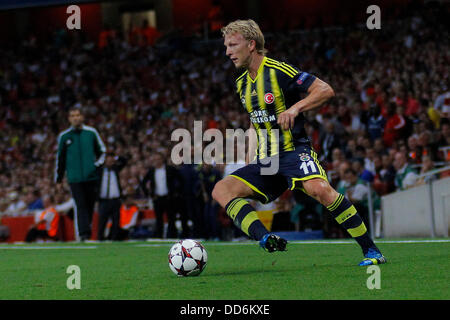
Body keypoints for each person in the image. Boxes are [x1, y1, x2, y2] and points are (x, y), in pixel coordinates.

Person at [213, 19, 386, 266]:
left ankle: (372, 251)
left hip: (294, 152)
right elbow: (254, 123)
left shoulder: (279, 71)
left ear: (251, 45)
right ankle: (265, 239)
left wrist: (295, 108)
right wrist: (251, 160)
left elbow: (325, 90)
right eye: (226, 46)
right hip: (267, 161)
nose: (227, 51)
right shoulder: (241, 83)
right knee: (221, 189)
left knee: (320, 190)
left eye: (232, 44)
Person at [55, 107, 106, 241]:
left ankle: (86, 230)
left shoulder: (91, 133)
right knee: (80, 204)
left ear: (82, 117)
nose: (75, 118)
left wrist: (95, 166)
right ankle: (84, 234)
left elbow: (102, 152)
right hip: (74, 178)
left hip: (91, 177)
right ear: (69, 119)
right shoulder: (64, 137)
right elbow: (60, 159)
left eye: (78, 115)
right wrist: (59, 179)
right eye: (72, 116)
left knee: (89, 204)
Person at [141, 152, 182, 238]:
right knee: (159, 219)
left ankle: (172, 236)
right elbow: (143, 183)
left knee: (171, 218)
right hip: (157, 198)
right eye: (155, 159)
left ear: (162, 159)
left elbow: (180, 180)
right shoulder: (152, 171)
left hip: (169, 198)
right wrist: (149, 194)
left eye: (158, 159)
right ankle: (159, 236)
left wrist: (176, 193)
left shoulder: (170, 169)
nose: (157, 161)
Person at [97, 152, 128, 241]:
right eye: (108, 160)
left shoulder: (116, 169)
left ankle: (114, 239)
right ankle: (100, 239)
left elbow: (124, 161)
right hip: (104, 200)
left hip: (115, 200)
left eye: (111, 160)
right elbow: (95, 166)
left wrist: (116, 157)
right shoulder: (100, 171)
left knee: (116, 221)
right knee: (102, 221)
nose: (110, 162)